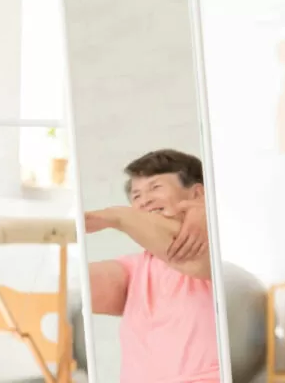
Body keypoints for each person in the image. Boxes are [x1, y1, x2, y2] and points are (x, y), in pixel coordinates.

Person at [85, 149, 219, 383]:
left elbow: (182, 252)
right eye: (136, 196)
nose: (144, 200)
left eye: (155, 187)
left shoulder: (218, 242)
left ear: (197, 194)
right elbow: (75, 285)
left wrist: (115, 216)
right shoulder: (134, 268)